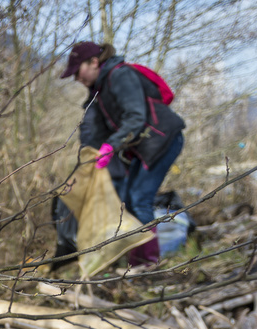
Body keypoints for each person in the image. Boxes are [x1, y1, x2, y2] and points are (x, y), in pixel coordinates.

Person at [61, 41, 186, 265]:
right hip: (146, 145)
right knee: (128, 200)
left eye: (77, 72)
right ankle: (136, 261)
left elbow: (136, 117)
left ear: (94, 62)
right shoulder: (101, 88)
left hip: (162, 139)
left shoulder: (120, 75)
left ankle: (147, 263)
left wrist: (111, 146)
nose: (76, 79)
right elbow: (95, 128)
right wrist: (91, 157)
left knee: (140, 199)